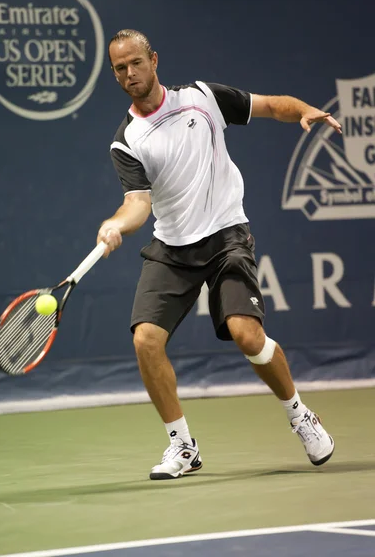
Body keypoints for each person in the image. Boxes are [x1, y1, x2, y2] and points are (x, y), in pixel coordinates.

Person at [97, 29, 342, 480]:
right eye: (119, 68)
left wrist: (304, 110)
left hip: (226, 235)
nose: (129, 74)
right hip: (172, 247)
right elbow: (137, 203)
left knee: (247, 335)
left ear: (154, 59)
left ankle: (299, 414)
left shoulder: (202, 98)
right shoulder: (127, 140)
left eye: (135, 63)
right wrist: (115, 224)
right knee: (145, 339)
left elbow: (269, 105)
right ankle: (183, 445)